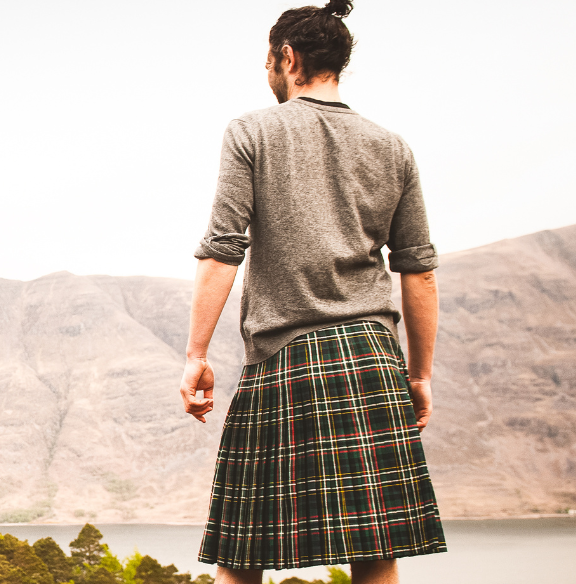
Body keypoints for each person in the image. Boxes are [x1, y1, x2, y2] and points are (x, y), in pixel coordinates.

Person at [177, 1, 447, 583]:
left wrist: (196, 356)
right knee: (375, 550)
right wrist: (420, 376)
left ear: (288, 58)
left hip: (287, 359)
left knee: (242, 554)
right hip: (372, 358)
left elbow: (223, 249)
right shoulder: (392, 146)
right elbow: (418, 271)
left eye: (268, 62)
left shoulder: (252, 131)